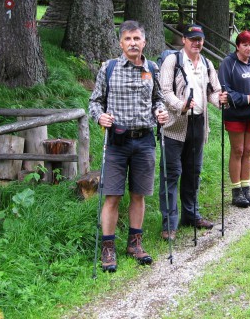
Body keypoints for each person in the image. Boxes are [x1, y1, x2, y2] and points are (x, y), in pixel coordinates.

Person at [89, 20, 169, 270]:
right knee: (112, 195)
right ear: (120, 43)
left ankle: (135, 244)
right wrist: (100, 116)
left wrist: (161, 112)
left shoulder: (152, 68)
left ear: (144, 42)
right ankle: (108, 249)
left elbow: (159, 99)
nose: (133, 43)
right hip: (116, 141)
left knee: (139, 194)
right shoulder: (109, 69)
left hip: (144, 140)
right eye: (128, 39)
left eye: (137, 39)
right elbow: (94, 102)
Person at [158, 24, 227, 241]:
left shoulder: (206, 63)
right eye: (192, 39)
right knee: (171, 174)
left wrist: (220, 100)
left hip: (198, 123)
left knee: (193, 171)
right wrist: (181, 105)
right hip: (175, 125)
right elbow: (165, 91)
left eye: (200, 39)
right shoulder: (173, 61)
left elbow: (214, 92)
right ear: (184, 40)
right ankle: (169, 224)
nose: (197, 43)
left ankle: (191, 214)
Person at [218, 30, 250, 208]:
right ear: (238, 46)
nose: (249, 48)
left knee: (248, 150)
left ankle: (246, 188)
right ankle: (236, 191)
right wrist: (247, 98)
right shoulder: (228, 63)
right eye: (245, 45)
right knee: (238, 150)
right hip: (235, 113)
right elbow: (225, 91)